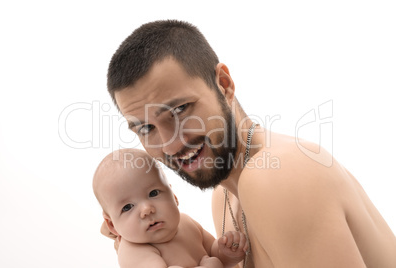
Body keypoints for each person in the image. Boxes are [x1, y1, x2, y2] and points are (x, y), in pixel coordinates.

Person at [103, 20, 396, 267]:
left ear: (224, 84)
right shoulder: (225, 197)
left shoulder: (275, 177)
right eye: (146, 128)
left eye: (180, 110)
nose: (169, 144)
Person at [93, 148, 248, 268]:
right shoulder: (134, 252)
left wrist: (226, 253)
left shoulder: (187, 223)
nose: (147, 209)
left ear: (174, 197)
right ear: (112, 225)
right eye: (127, 207)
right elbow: (212, 262)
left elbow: (212, 253)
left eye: (153, 193)